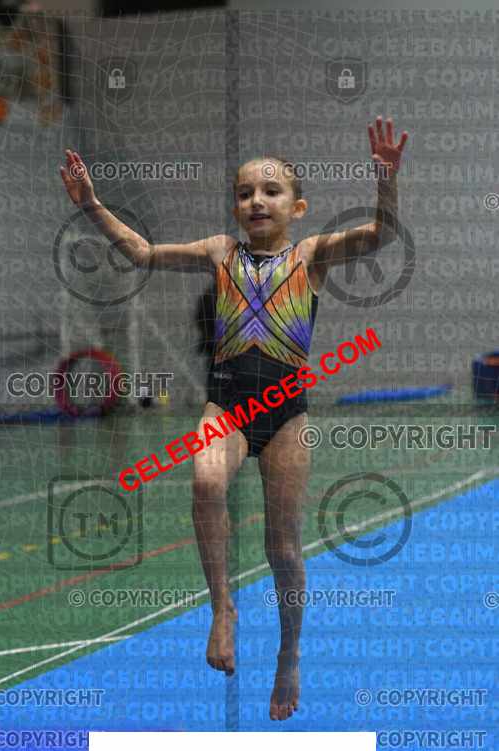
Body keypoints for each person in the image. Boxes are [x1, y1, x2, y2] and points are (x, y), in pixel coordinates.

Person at [59, 116, 408, 720]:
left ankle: (289, 652)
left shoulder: (311, 255)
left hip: (286, 415)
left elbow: (379, 236)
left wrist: (386, 181)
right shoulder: (220, 252)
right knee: (205, 479)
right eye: (245, 192)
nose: (256, 201)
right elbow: (141, 252)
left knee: (283, 549)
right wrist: (91, 204)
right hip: (226, 405)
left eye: (271, 191)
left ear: (298, 207)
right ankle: (223, 606)